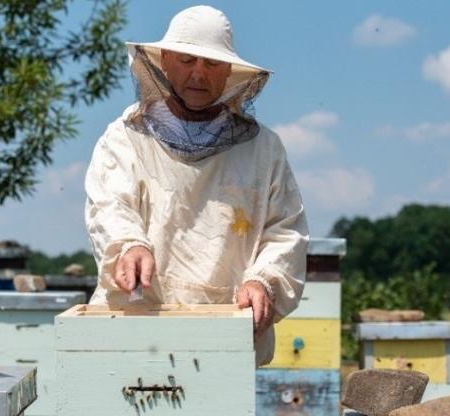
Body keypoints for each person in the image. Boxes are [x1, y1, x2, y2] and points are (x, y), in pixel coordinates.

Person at [84, 5, 309, 365]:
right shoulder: (124, 138)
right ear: (166, 60)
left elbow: (284, 231)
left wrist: (264, 281)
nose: (199, 75)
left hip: (229, 332)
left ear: (229, 72)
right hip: (137, 327)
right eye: (187, 60)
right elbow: (111, 206)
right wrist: (127, 245)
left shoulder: (264, 149)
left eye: (212, 64)